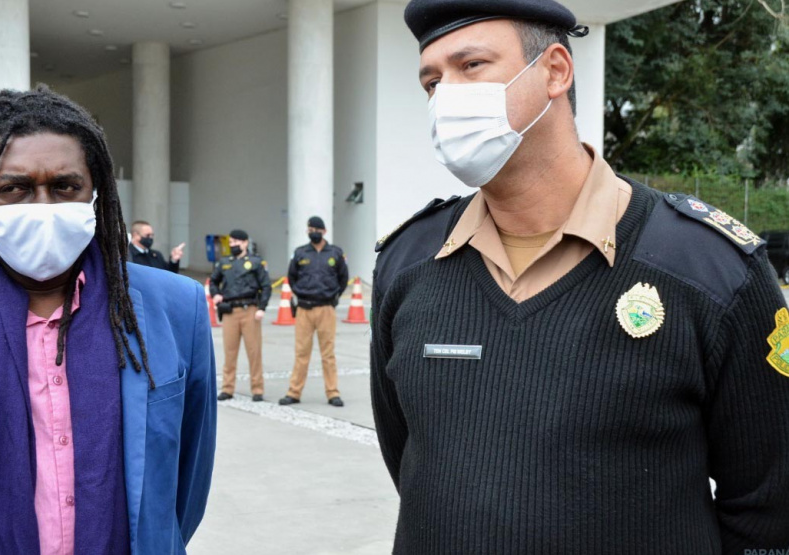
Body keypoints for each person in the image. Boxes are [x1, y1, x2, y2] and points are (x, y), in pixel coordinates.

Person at [371, 1, 789, 553]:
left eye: (471, 66)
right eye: (431, 80)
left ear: (555, 70)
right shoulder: (407, 262)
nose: (445, 96)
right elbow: (414, 462)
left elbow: (768, 504)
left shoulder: (709, 267)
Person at [0, 87, 217, 555]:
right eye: (14, 188)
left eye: (64, 187)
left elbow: (181, 496)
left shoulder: (177, 309)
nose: (43, 207)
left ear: (95, 194)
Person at [279, 216, 348, 407]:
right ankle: (294, 392)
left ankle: (333, 393)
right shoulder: (300, 253)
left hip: (326, 308)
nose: (313, 233)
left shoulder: (335, 253)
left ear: (324, 231)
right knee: (301, 353)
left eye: (316, 230)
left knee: (328, 354)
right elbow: (292, 278)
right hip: (304, 309)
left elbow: (343, 279)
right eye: (310, 230)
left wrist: (334, 298)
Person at [209, 229, 272, 402]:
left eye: (237, 242)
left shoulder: (255, 262)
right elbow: (213, 281)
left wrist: (262, 307)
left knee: (254, 351)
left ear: (245, 243)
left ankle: (257, 389)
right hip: (230, 311)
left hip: (249, 310)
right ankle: (227, 388)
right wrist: (215, 294)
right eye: (231, 243)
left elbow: (266, 286)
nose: (234, 245)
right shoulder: (224, 263)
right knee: (229, 352)